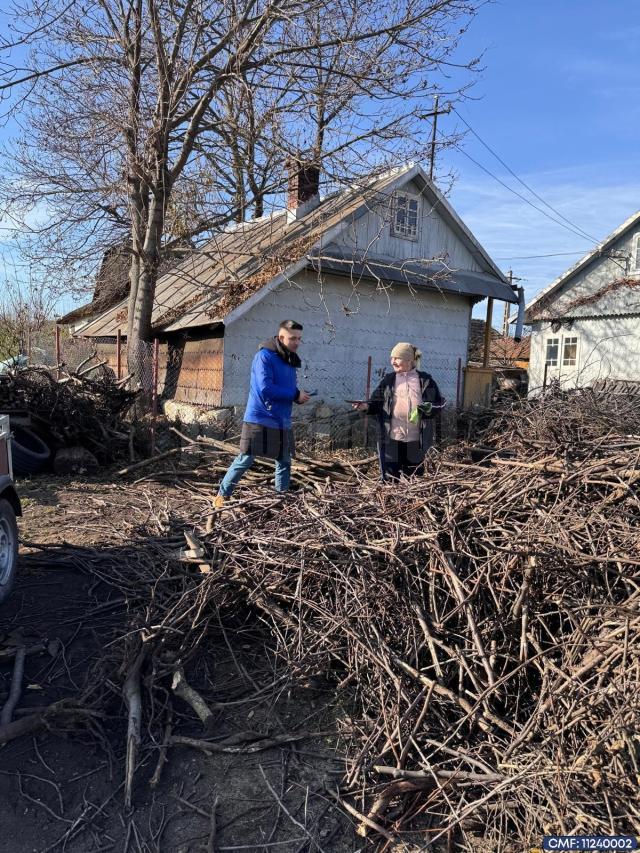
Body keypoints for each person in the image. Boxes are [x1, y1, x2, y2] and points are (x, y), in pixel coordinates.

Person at [214, 320, 311, 506]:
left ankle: (280, 501)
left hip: (282, 419)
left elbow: (287, 388)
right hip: (260, 416)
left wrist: (298, 396)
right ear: (281, 337)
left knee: (284, 461)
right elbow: (265, 388)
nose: (297, 342)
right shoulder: (264, 356)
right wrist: (294, 394)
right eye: (292, 338)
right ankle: (222, 495)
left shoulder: (290, 360)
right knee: (246, 458)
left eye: (299, 339)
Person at [353, 342, 444, 480]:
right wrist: (365, 406)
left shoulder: (425, 380)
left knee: (414, 478)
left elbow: (440, 403)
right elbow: (375, 402)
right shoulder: (389, 380)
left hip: (416, 440)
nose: (392, 362)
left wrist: (428, 408)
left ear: (409, 360)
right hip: (391, 439)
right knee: (390, 478)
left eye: (396, 358)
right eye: (391, 358)